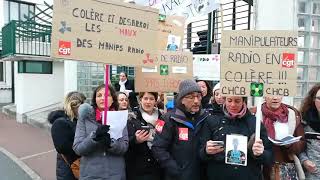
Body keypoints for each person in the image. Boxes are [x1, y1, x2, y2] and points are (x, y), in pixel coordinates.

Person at [200, 96, 273, 179]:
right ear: (225, 100)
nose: (233, 105)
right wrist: (206, 151)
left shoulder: (254, 123)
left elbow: (269, 158)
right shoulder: (212, 120)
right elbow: (200, 154)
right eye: (229, 100)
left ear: (243, 101)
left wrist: (260, 153)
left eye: (237, 101)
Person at [151, 79, 210, 180]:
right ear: (181, 99)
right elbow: (158, 148)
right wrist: (176, 170)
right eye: (190, 97)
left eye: (198, 96)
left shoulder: (206, 117)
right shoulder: (167, 119)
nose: (196, 101)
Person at [73, 84, 128, 180]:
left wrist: (110, 143)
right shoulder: (85, 118)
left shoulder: (120, 117)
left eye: (107, 95)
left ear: (113, 99)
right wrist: (94, 137)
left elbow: (124, 147)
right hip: (90, 175)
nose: (103, 98)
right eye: (99, 95)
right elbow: (78, 148)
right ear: (95, 99)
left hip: (115, 175)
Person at [261, 96, 305, 180]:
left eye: (278, 94)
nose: (275, 98)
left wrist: (290, 145)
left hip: (286, 164)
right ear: (264, 96)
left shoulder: (292, 114)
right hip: (263, 166)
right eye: (271, 94)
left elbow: (302, 142)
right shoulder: (256, 113)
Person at [126, 92, 163, 180]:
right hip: (138, 165)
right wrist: (135, 140)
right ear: (140, 100)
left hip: (157, 163)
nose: (148, 102)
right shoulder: (132, 116)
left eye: (151, 99)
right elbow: (125, 140)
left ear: (155, 101)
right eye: (145, 98)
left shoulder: (162, 116)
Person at [49, 91, 86, 180]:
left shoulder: (79, 120)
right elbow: (62, 147)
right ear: (76, 105)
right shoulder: (60, 122)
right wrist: (85, 146)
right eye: (83, 104)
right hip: (69, 166)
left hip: (79, 163)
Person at [299, 83, 320, 179]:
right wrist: (304, 161)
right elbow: (298, 146)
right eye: (319, 98)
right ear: (313, 99)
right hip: (312, 174)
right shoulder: (304, 120)